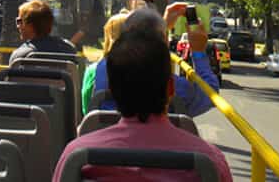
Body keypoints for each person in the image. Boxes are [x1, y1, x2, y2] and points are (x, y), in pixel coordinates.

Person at [53, 27, 231, 181]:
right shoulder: (210, 162)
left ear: (112, 90)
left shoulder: (77, 157)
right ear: (170, 89)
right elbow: (209, 93)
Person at [88, 4, 219, 117]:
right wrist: (198, 52)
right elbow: (210, 95)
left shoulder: (103, 68)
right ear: (170, 88)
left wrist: (161, 28)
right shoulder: (173, 84)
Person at [82, 10, 129, 114]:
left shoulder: (93, 71)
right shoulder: (146, 71)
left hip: (100, 126)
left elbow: (86, 109)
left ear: (107, 37)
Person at [9, 0, 77, 63]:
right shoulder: (69, 50)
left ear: (30, 25)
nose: (18, 26)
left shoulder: (19, 57)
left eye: (19, 21)